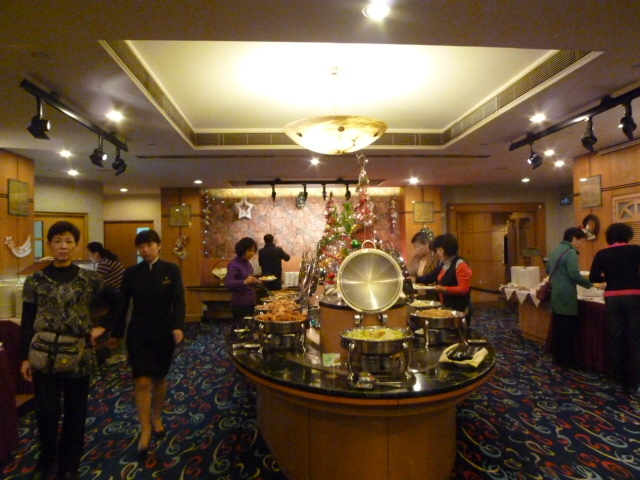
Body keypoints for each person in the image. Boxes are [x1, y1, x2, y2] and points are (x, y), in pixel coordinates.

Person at [19, 221, 122, 480]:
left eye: (68, 241)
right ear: (49, 245)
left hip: (79, 353)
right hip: (43, 353)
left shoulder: (89, 279)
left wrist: (103, 327)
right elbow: (27, 320)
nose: (62, 246)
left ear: (76, 246)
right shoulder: (35, 280)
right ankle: (46, 460)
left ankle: (70, 465)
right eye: (57, 241)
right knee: (46, 412)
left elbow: (119, 301)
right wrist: (24, 357)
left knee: (76, 413)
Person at [110, 229, 185, 457]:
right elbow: (122, 303)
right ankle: (145, 429)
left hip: (163, 332)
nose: (145, 249)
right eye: (141, 246)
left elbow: (178, 300)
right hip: (138, 333)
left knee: (160, 378)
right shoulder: (131, 273)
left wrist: (178, 326)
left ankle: (156, 416)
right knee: (142, 381)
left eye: (150, 245)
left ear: (159, 246)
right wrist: (116, 332)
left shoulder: (171, 270)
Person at [589, 223, 640, 394]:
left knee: (616, 336)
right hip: (634, 295)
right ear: (628, 235)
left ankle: (619, 377)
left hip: (612, 297)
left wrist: (607, 277)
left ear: (609, 237)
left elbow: (593, 277)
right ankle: (636, 379)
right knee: (635, 336)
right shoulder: (636, 250)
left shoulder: (602, 254)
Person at [547, 227, 604, 367]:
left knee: (559, 326)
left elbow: (548, 270)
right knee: (568, 328)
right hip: (567, 294)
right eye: (581, 241)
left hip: (556, 292)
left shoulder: (555, 250)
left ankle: (558, 357)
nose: (582, 244)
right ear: (573, 239)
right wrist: (593, 284)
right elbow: (574, 275)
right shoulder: (571, 252)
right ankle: (567, 360)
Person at [416, 233, 473, 323]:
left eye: (440, 250)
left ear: (448, 249)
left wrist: (444, 289)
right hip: (447, 306)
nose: (438, 253)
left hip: (459, 308)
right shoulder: (443, 263)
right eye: (437, 250)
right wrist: (415, 280)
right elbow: (430, 277)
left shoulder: (460, 264)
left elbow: (464, 289)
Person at [87, 241, 126, 364]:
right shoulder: (111, 259)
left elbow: (95, 283)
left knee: (113, 322)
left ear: (96, 253)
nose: (89, 257)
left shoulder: (104, 263)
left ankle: (117, 352)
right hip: (120, 294)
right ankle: (117, 351)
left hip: (117, 297)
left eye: (89, 254)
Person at [225, 237, 260, 322]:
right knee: (242, 327)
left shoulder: (247, 263)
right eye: (249, 251)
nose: (252, 253)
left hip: (250, 301)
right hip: (240, 303)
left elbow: (248, 280)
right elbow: (229, 283)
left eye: (253, 251)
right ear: (242, 250)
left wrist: (255, 282)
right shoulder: (234, 264)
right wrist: (245, 282)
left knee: (250, 327)